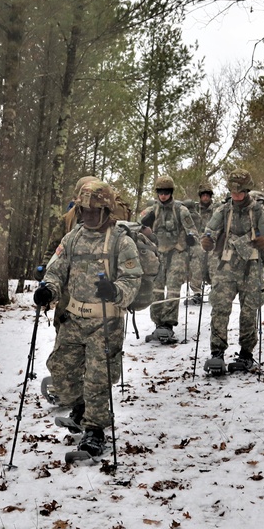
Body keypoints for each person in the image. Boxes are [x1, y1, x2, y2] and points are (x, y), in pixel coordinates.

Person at [33, 180, 143, 458]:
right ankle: (81, 407)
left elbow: (133, 278)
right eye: (83, 210)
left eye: (93, 211)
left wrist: (116, 290)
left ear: (107, 211)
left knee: (97, 378)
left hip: (105, 321)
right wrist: (48, 289)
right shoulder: (72, 238)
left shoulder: (121, 241)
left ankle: (95, 431)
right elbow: (56, 270)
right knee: (61, 370)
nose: (87, 216)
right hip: (73, 317)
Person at [200, 168, 264, 372]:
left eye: (240, 192)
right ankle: (217, 354)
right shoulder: (223, 210)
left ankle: (246, 354)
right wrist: (207, 241)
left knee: (249, 311)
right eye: (233, 192)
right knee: (219, 308)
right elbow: (209, 232)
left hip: (251, 267)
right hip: (225, 266)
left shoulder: (260, 211)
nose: (236, 196)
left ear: (247, 190)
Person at [138, 174, 198, 343]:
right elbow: (137, 227)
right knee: (155, 288)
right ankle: (158, 323)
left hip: (177, 252)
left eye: (166, 192)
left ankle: (168, 324)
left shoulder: (181, 210)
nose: (163, 195)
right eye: (160, 192)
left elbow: (192, 230)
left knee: (172, 287)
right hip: (158, 253)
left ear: (171, 192)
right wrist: (144, 224)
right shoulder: (151, 210)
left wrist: (190, 238)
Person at [39, 175, 100, 328]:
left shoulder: (106, 218)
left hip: (97, 281)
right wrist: (46, 268)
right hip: (69, 281)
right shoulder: (67, 219)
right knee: (62, 322)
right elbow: (53, 248)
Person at [184, 180, 217, 305]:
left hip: (212, 242)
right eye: (203, 195)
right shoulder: (194, 210)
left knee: (214, 262)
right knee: (195, 263)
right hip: (198, 242)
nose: (205, 197)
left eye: (208, 195)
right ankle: (197, 293)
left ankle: (215, 290)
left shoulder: (216, 209)